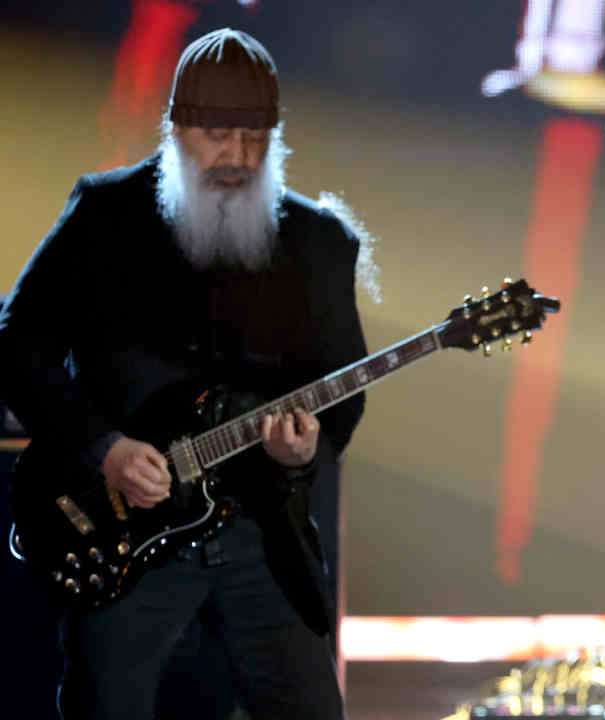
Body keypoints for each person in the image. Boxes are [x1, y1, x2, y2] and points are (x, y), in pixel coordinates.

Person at [0, 28, 369, 719]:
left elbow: (344, 391)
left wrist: (308, 449)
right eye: (217, 138)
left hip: (263, 536)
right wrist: (102, 448)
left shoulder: (320, 243)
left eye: (256, 140)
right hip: (123, 532)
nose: (236, 158)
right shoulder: (104, 215)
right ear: (174, 127)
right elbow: (18, 343)